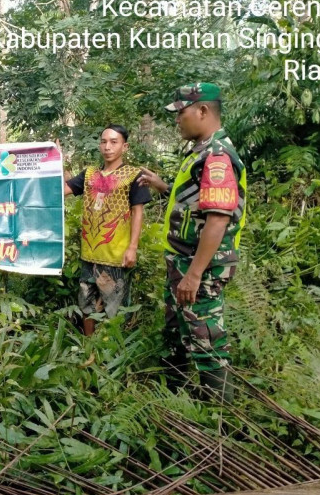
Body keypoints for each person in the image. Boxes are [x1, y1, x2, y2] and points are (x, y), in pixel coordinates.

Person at [138, 83, 246, 403]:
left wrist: (195, 274)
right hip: (183, 261)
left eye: (181, 113)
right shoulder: (201, 150)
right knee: (181, 332)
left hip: (201, 266)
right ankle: (179, 398)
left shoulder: (216, 156)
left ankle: (218, 415)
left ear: (202, 111)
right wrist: (163, 186)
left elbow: (217, 219)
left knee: (205, 339)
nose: (177, 120)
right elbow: (196, 203)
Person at [64, 125, 152, 335]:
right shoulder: (90, 174)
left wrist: (133, 247)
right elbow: (63, 190)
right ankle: (89, 346)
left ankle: (111, 354)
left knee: (114, 309)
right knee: (86, 303)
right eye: (104, 142)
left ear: (125, 146)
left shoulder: (133, 175)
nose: (108, 147)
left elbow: (137, 211)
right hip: (90, 254)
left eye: (114, 142)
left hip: (116, 257)